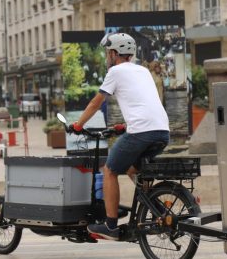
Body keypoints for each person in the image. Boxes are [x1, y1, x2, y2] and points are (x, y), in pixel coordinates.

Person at [71, 33, 170, 240]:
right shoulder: (143, 70)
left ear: (115, 53)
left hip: (142, 131)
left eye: (108, 53)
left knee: (109, 170)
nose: (107, 56)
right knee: (132, 168)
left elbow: (96, 103)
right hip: (162, 130)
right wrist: (126, 125)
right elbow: (143, 102)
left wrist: (78, 125)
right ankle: (156, 208)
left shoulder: (115, 71)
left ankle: (111, 225)